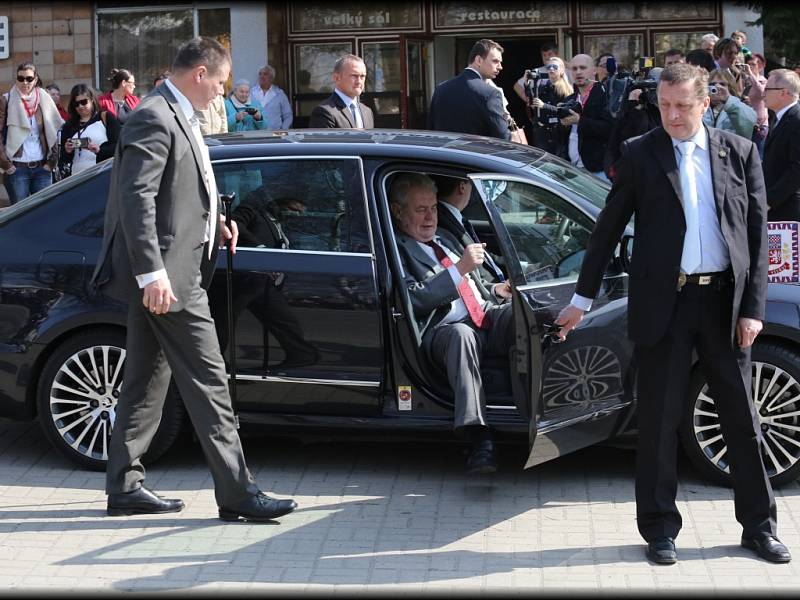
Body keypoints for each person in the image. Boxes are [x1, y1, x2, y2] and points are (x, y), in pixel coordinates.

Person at [555, 63, 790, 566]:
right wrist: (581, 299)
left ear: (706, 104)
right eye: (664, 105)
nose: (672, 115)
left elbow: (757, 236)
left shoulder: (739, 151)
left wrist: (753, 309)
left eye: (682, 105)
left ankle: (759, 527)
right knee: (659, 421)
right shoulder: (640, 154)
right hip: (665, 304)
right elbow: (607, 229)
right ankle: (660, 530)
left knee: (742, 419)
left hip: (724, 304)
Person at [90, 37, 297, 522]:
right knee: (211, 382)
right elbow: (135, 200)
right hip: (171, 280)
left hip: (176, 271)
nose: (220, 94)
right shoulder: (154, 115)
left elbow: (182, 190)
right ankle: (239, 494)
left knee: (144, 381)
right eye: (220, 83)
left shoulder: (176, 112)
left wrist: (215, 223)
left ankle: (124, 487)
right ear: (200, 73)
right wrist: (152, 273)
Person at [391, 173, 513, 474]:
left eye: (433, 207)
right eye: (421, 210)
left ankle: (549, 403)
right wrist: (460, 268)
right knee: (462, 335)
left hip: (483, 313)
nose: (430, 216)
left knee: (525, 314)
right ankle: (477, 437)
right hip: (443, 331)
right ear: (398, 211)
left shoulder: (444, 239)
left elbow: (476, 289)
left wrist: (500, 291)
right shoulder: (400, 249)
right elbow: (414, 300)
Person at [0, 61, 63, 205]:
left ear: (35, 79)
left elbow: (54, 130)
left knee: (44, 212)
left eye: (28, 78)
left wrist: (51, 162)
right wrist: (6, 165)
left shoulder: (44, 98)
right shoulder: (7, 99)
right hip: (17, 169)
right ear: (16, 79)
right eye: (20, 78)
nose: (24, 82)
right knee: (21, 215)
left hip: (42, 168)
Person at [429, 39, 510, 140]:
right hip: (478, 154)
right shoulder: (491, 93)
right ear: (478, 60)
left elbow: (431, 130)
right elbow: (503, 138)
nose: (500, 67)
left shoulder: (440, 89)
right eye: (495, 61)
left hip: (445, 154)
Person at [432, 175, 504, 282]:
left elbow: (485, 257)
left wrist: (523, 267)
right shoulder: (440, 224)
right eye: (472, 184)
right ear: (462, 187)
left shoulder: (453, 217)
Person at [560, 54, 615, 181]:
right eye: (574, 69)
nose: (578, 72)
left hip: (598, 169)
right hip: (572, 170)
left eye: (583, 68)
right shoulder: (569, 99)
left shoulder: (605, 95)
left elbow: (610, 129)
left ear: (594, 70)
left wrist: (580, 121)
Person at [604, 68, 663, 181]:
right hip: (632, 175)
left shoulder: (669, 114)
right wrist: (634, 105)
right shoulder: (637, 110)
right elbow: (628, 138)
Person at [57, 84, 120, 178]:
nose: (81, 106)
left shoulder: (105, 117)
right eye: (76, 104)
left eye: (84, 102)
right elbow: (63, 159)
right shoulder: (69, 125)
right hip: (76, 176)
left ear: (92, 100)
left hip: (103, 173)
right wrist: (67, 150)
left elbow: (119, 146)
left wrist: (99, 150)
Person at [762, 69, 800, 222]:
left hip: (789, 210)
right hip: (780, 208)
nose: (763, 93)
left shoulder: (797, 120)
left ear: (783, 93)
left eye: (767, 88)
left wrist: (770, 200)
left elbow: (797, 168)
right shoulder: (779, 117)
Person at [520, 56, 572, 154]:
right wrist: (527, 84)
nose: (551, 69)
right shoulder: (543, 86)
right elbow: (532, 103)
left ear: (562, 70)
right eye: (549, 67)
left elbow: (565, 111)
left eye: (554, 67)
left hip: (558, 132)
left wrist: (544, 106)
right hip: (543, 132)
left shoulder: (566, 89)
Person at [309, 54, 374, 129]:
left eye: (362, 76)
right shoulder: (324, 112)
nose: (359, 81)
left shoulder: (367, 112)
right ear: (336, 78)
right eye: (354, 76)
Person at [703, 69, 756, 139]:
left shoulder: (739, 106)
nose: (717, 87)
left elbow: (748, 128)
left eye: (722, 84)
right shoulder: (700, 107)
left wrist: (728, 100)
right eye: (712, 84)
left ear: (730, 88)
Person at [250, 65, 293, 130]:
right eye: (260, 74)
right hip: (254, 133)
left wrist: (283, 129)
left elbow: (288, 115)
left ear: (271, 77)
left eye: (265, 74)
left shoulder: (279, 94)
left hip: (274, 133)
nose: (262, 76)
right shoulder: (251, 92)